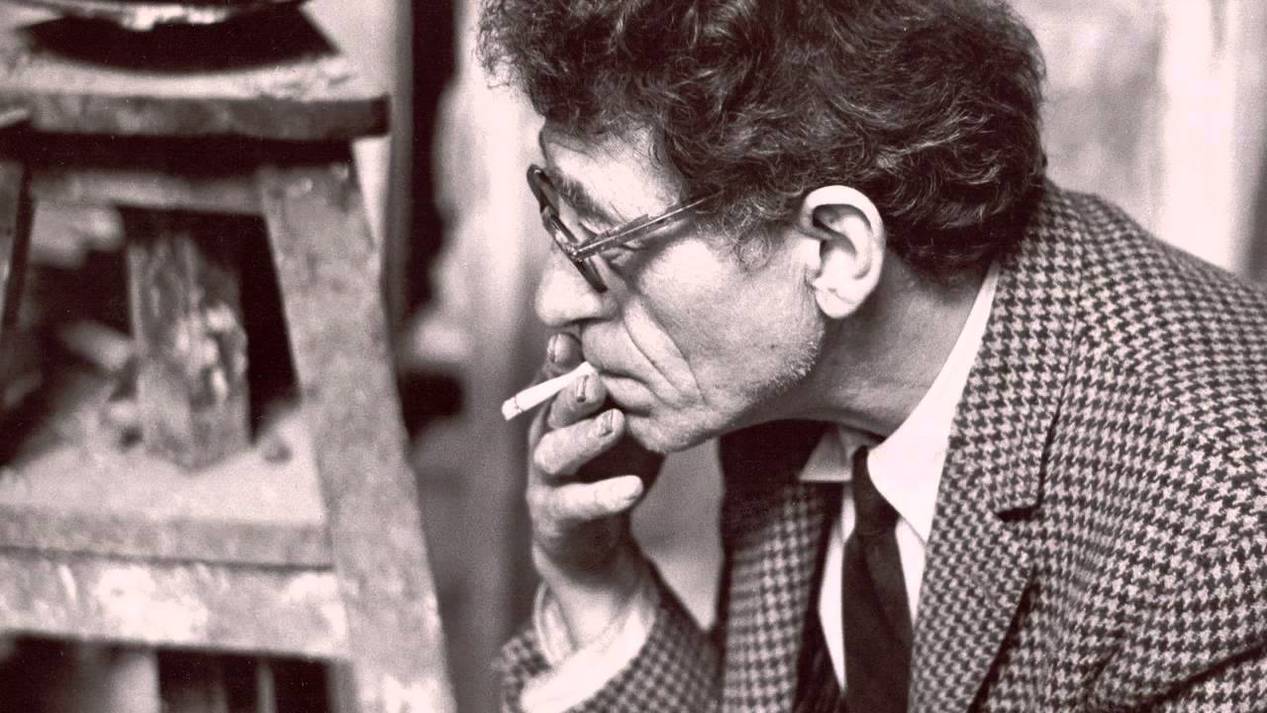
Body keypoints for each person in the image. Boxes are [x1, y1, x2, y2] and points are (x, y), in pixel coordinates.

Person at [478, 0, 1267, 710]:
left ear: (835, 250)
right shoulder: (791, 374)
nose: (553, 301)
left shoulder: (1217, 534)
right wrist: (598, 582)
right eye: (557, 215)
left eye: (600, 240)